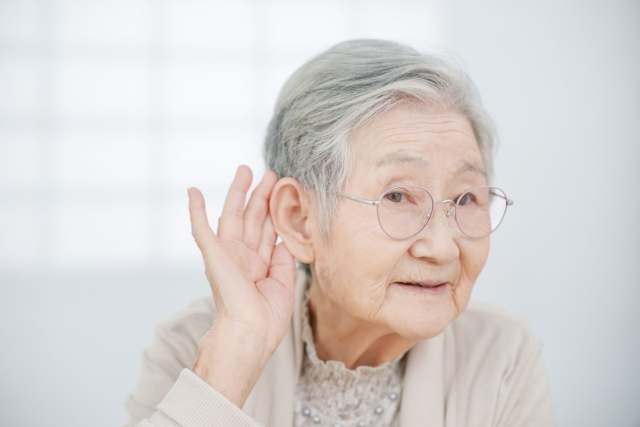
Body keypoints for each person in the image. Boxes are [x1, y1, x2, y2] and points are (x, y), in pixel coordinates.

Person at [124, 39, 555, 427]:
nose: (442, 247)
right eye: (399, 196)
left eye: (465, 199)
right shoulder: (194, 347)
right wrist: (232, 357)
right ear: (300, 219)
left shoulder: (502, 358)